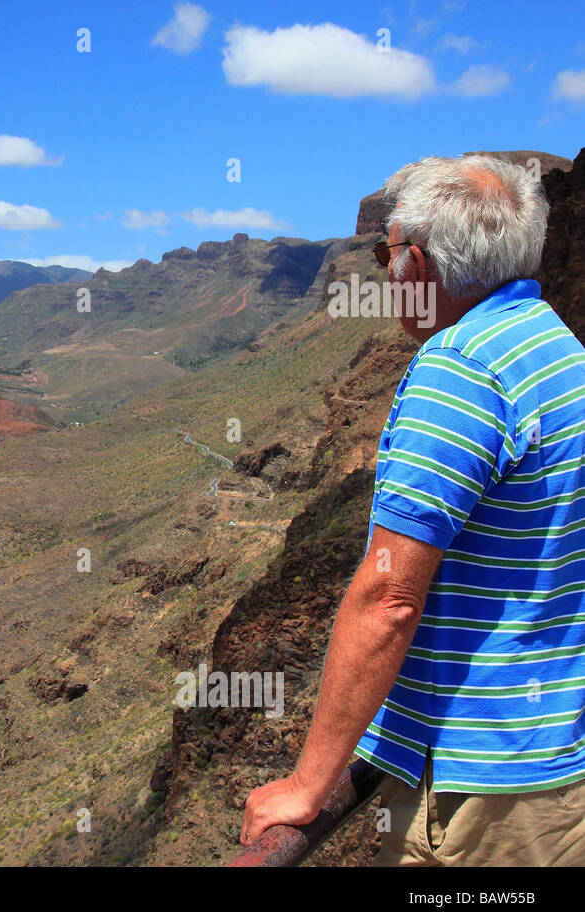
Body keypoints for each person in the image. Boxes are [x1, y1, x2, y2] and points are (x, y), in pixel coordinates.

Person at [241, 153, 585, 865]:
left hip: (483, 790)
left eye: (384, 253)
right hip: (552, 758)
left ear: (418, 267)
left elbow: (390, 596)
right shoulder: (556, 347)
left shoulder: (461, 369)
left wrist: (309, 785)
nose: (382, 273)